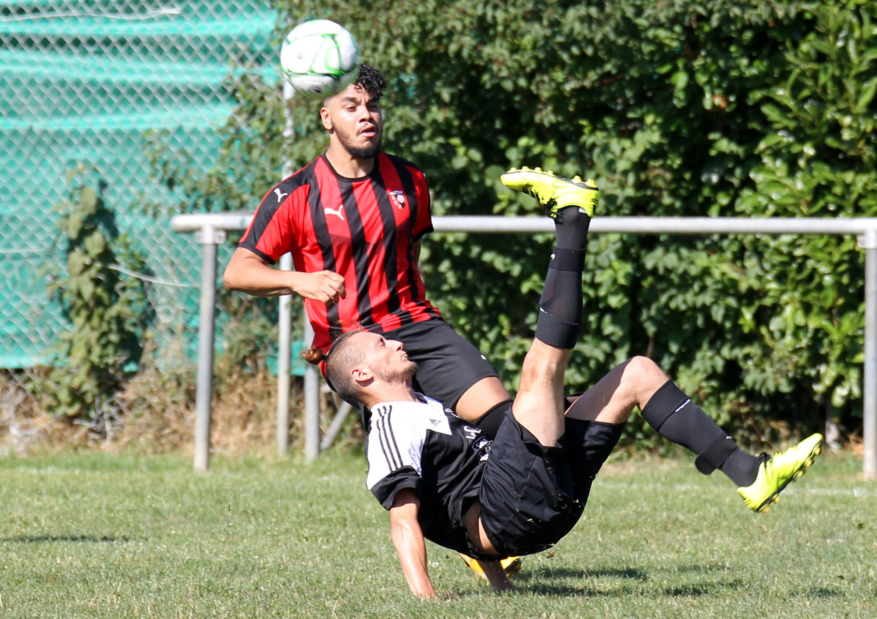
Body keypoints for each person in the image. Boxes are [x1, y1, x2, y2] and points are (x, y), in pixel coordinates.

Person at [311, 167, 824, 597]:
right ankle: (572, 217)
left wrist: (500, 584)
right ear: (362, 374)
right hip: (516, 513)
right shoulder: (390, 426)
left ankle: (749, 474)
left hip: (531, 508)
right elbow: (407, 519)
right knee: (540, 372)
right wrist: (424, 599)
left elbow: (459, 503)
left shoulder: (423, 405)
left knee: (637, 374)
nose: (397, 343)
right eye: (383, 345)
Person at [222, 65, 519, 577]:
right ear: (326, 117)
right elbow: (238, 270)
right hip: (358, 346)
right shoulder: (295, 194)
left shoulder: (410, 181)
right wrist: (300, 281)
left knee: (503, 423)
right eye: (351, 107)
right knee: (413, 469)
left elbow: (409, 254)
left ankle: (494, 529)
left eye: (372, 107)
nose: (366, 117)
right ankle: (475, 546)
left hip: (419, 327)